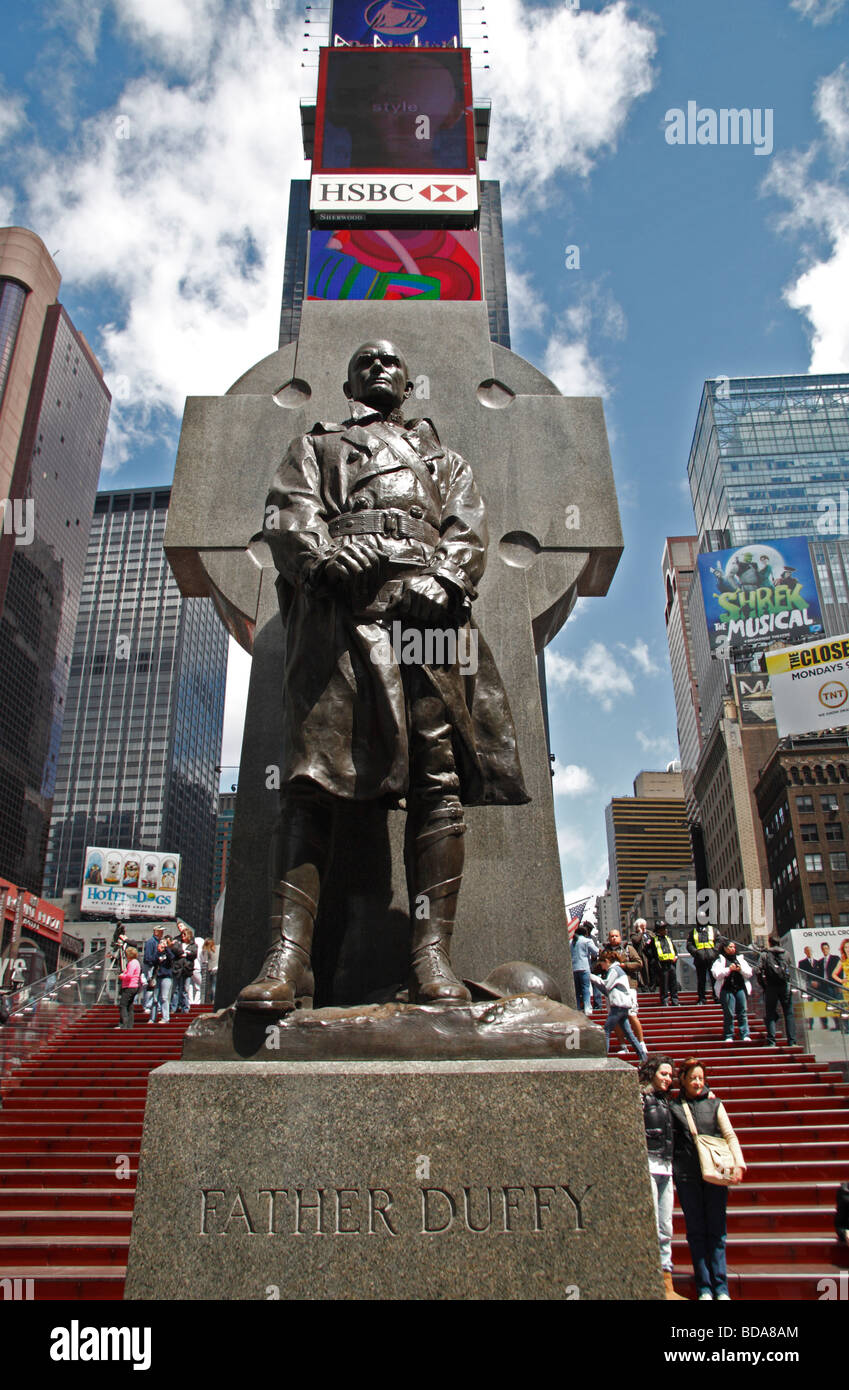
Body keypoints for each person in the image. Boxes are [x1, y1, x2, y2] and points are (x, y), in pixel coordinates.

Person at [237, 339, 528, 1014]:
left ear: (408, 382)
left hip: (426, 614)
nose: (375, 366)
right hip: (338, 610)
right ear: (346, 380)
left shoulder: (444, 460)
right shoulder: (315, 446)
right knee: (310, 778)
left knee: (438, 778)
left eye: (389, 361)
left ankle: (431, 956)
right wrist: (322, 559)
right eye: (362, 359)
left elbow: (469, 527)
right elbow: (287, 511)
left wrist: (448, 576)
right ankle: (288, 959)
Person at [670, 1057, 745, 1300]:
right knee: (695, 1231)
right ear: (682, 1079)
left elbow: (729, 1134)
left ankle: (720, 1286)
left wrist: (739, 1162)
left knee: (716, 1230)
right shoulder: (674, 1107)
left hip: (716, 1172)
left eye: (701, 1078)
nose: (697, 1082)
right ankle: (704, 1286)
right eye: (692, 1078)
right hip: (687, 1175)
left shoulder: (715, 1104)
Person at [639, 1055, 686, 1300]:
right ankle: (651, 1278)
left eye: (670, 1075)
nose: (667, 1079)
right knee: (653, 1224)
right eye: (663, 1074)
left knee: (666, 1226)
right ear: (652, 1073)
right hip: (648, 1164)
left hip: (666, 1168)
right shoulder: (641, 1097)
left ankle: (666, 1280)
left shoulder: (669, 1102)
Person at [589, 950, 647, 1060]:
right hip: (623, 1005)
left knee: (606, 1030)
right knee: (629, 1033)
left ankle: (603, 1057)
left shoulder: (614, 970)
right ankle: (642, 1057)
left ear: (606, 961)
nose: (602, 967)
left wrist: (592, 977)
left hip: (618, 1005)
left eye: (602, 964)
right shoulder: (618, 970)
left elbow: (606, 986)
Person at [604, 927, 645, 1053]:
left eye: (616, 936)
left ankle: (641, 1043)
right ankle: (623, 1046)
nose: (614, 938)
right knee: (614, 1017)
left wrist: (624, 966)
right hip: (612, 989)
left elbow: (639, 963)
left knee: (632, 1014)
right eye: (611, 936)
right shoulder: (605, 952)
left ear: (620, 937)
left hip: (629, 986)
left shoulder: (628, 949)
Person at [757, 933, 796, 1047]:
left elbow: (758, 971)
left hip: (771, 987)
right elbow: (791, 969)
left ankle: (772, 1040)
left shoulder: (764, 954)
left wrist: (763, 985)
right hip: (784, 986)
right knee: (788, 1013)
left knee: (770, 1013)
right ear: (779, 942)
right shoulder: (786, 954)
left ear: (769, 942)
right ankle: (792, 1041)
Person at [712, 940, 752, 1043]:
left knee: (742, 1011)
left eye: (734, 947)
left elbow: (749, 973)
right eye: (730, 947)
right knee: (729, 1013)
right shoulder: (720, 960)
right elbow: (716, 974)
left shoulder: (740, 959)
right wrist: (728, 969)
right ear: (725, 948)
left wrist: (740, 970)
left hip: (740, 988)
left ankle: (745, 1034)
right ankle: (729, 1034)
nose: (732, 949)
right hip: (727, 988)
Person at [687, 913, 719, 1004]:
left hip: (711, 958)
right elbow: (689, 945)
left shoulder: (713, 930)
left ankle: (717, 997)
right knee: (701, 979)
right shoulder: (693, 932)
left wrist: (714, 952)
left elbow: (719, 941)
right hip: (699, 958)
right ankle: (702, 998)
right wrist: (696, 952)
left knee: (714, 978)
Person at [570, 924, 598, 1015]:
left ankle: (577, 1007)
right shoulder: (587, 941)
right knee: (585, 988)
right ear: (585, 933)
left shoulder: (571, 942)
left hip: (574, 968)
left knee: (577, 990)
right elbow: (596, 951)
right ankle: (587, 1008)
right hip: (584, 967)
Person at [149, 935, 177, 1024]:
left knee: (164, 997)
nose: (161, 944)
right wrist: (158, 951)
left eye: (163, 942)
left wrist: (166, 948)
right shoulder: (158, 954)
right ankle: (152, 1018)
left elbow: (172, 958)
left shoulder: (168, 953)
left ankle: (165, 1018)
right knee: (155, 999)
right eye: (160, 943)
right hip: (158, 977)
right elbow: (152, 961)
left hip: (166, 977)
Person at [651, 922, 679, 1006]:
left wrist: (676, 957)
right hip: (662, 965)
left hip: (671, 963)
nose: (665, 930)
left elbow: (674, 950)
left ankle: (675, 1001)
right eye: (663, 929)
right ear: (659, 930)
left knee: (673, 983)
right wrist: (656, 962)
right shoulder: (654, 940)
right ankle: (665, 1001)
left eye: (665, 928)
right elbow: (651, 952)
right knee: (664, 984)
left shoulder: (669, 939)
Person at [116, 946, 141, 1030]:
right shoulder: (136, 962)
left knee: (123, 1005)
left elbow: (129, 975)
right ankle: (129, 1025)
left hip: (129, 986)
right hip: (134, 986)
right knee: (130, 1006)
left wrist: (122, 976)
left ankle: (124, 1024)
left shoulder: (132, 963)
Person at [141, 925, 164, 1014]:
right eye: (161, 931)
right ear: (156, 932)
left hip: (154, 966)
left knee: (153, 986)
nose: (162, 933)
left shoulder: (157, 941)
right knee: (150, 986)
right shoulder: (151, 942)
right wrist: (156, 960)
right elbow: (148, 957)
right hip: (150, 966)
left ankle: (152, 1005)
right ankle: (147, 1005)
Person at [200, 938, 218, 1005]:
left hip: (212, 969)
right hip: (218, 968)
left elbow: (205, 961)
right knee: (215, 985)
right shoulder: (217, 948)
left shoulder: (207, 950)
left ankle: (213, 999)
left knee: (213, 985)